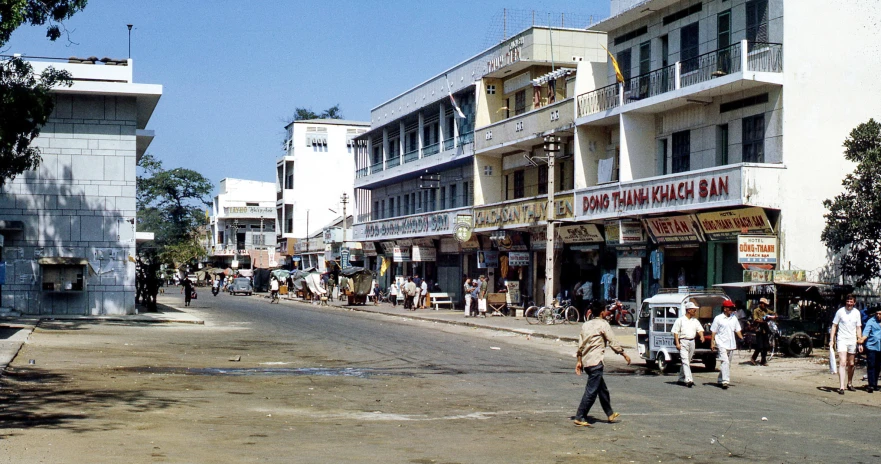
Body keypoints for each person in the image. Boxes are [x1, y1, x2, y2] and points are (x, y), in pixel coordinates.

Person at [573, 305, 631, 427]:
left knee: (602, 389)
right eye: (605, 310)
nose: (606, 312)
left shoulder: (585, 325)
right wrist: (623, 353)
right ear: (601, 312)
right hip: (595, 362)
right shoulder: (603, 324)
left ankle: (609, 413)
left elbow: (580, 345)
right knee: (591, 391)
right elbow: (612, 341)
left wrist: (579, 361)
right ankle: (580, 416)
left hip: (587, 362)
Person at [830, 294, 862, 394]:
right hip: (842, 339)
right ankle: (841, 386)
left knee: (851, 364)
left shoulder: (857, 313)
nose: (849, 303)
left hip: (852, 340)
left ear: (854, 303)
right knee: (843, 362)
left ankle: (849, 383)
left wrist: (860, 342)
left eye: (851, 301)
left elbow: (858, 328)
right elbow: (834, 326)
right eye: (847, 301)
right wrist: (832, 340)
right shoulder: (840, 311)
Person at [710, 300, 743, 389]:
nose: (732, 310)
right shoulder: (718, 318)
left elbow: (738, 330)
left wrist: (741, 338)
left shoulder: (734, 318)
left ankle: (720, 379)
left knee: (728, 364)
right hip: (721, 343)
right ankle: (725, 381)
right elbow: (713, 331)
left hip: (731, 344)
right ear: (725, 309)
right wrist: (712, 343)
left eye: (732, 308)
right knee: (725, 362)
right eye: (730, 308)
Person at [672, 301, 705, 387]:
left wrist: (701, 336)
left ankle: (681, 377)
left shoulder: (695, 321)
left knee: (687, 361)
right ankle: (689, 379)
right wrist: (677, 343)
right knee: (685, 360)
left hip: (692, 341)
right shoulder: (680, 320)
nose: (695, 312)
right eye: (694, 310)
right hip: (683, 341)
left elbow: (700, 329)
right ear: (689, 310)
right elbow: (675, 332)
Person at [859, 308, 881, 393]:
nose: (878, 315)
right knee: (871, 365)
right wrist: (862, 340)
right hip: (872, 346)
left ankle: (875, 384)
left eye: (880, 314)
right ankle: (871, 385)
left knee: (878, 366)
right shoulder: (871, 321)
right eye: (877, 314)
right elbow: (866, 332)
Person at [751, 297, 777, 366]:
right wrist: (763, 320)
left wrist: (774, 316)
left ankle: (763, 360)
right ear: (761, 304)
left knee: (766, 346)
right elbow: (756, 319)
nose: (765, 306)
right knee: (760, 346)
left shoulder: (766, 310)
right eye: (764, 304)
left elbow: (773, 313)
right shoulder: (756, 310)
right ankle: (753, 358)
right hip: (759, 329)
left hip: (765, 330)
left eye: (765, 304)